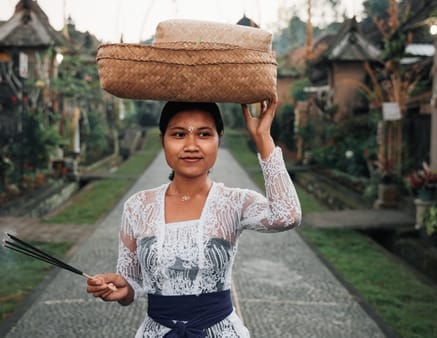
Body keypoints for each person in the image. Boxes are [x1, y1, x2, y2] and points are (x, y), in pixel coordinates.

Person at [86, 96, 302, 337]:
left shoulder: (234, 202)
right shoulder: (137, 207)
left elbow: (288, 216)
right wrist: (123, 289)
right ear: (162, 140)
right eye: (179, 134)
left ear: (219, 140)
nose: (191, 145)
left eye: (204, 134)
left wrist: (263, 138)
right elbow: (132, 283)